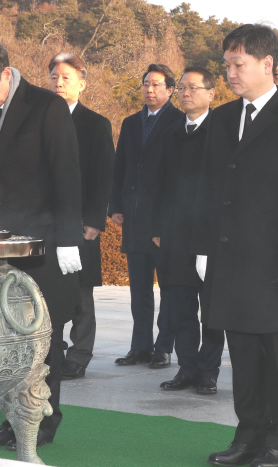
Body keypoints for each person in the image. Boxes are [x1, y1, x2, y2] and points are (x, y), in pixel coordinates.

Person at [192, 24, 278, 467]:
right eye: (227, 64)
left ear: (267, 64)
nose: (230, 73)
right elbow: (209, 187)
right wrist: (203, 247)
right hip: (231, 262)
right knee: (244, 357)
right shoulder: (224, 118)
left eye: (239, 64)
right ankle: (248, 434)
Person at [0, 36, 83, 450]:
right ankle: (11, 420)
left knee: (43, 338)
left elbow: (67, 176)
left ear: (6, 73)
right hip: (0, 246)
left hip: (44, 243)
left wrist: (67, 240)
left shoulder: (48, 107)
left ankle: (43, 421)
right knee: (6, 338)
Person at [153, 67, 225, 396]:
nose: (185, 93)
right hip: (176, 237)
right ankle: (187, 367)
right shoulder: (170, 131)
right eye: (181, 88)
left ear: (211, 93)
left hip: (212, 237)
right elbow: (160, 184)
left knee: (211, 310)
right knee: (180, 306)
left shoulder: (223, 132)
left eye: (193, 88)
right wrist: (158, 228)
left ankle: (208, 372)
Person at [108, 64, 184, 369]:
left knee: (167, 288)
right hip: (135, 220)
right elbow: (120, 167)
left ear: (170, 89)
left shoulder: (179, 122)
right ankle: (139, 346)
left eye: (156, 85)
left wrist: (167, 223)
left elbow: (177, 179)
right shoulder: (129, 123)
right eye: (145, 84)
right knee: (138, 289)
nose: (149, 90)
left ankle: (163, 347)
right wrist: (115, 205)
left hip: (163, 222)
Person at [46, 53, 115, 380]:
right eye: (54, 77)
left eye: (66, 78)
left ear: (82, 84)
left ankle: (79, 355)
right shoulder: (40, 118)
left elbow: (104, 176)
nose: (59, 83)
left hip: (80, 224)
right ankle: (50, 351)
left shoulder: (96, 123)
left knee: (81, 292)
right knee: (49, 290)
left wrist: (94, 221)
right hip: (47, 222)